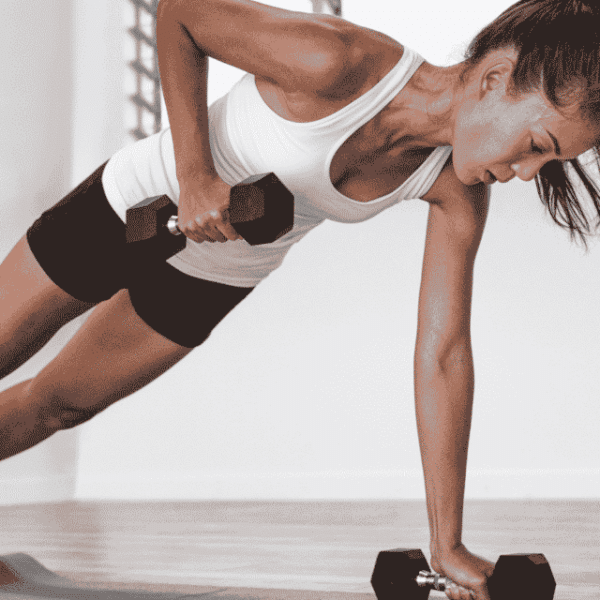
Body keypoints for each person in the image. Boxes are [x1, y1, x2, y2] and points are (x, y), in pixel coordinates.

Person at [1, 0, 599, 597]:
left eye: (549, 160)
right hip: (136, 207)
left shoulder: (455, 189)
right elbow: (180, 16)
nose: (527, 173)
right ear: (496, 77)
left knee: (60, 404)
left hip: (221, 271)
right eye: (537, 144)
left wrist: (448, 546)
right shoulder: (339, 62)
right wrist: (196, 177)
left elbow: (443, 351)